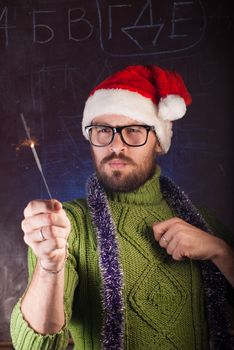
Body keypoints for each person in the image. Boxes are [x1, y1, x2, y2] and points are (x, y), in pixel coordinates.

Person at [10, 65, 234, 350]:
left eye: (133, 130)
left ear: (159, 140)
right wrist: (50, 267)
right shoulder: (66, 226)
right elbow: (34, 347)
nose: (117, 146)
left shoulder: (205, 224)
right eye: (103, 130)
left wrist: (221, 251)